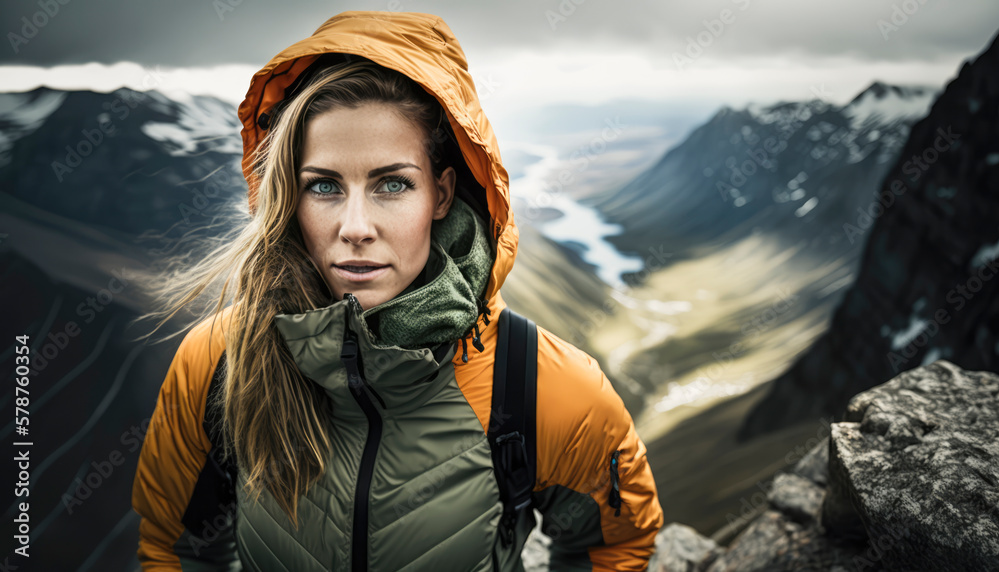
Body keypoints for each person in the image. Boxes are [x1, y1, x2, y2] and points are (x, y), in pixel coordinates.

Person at [131, 10, 663, 572]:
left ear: (441, 193)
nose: (355, 226)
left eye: (392, 184)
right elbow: (177, 546)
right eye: (324, 186)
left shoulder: (544, 389)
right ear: (287, 197)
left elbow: (612, 545)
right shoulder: (220, 362)